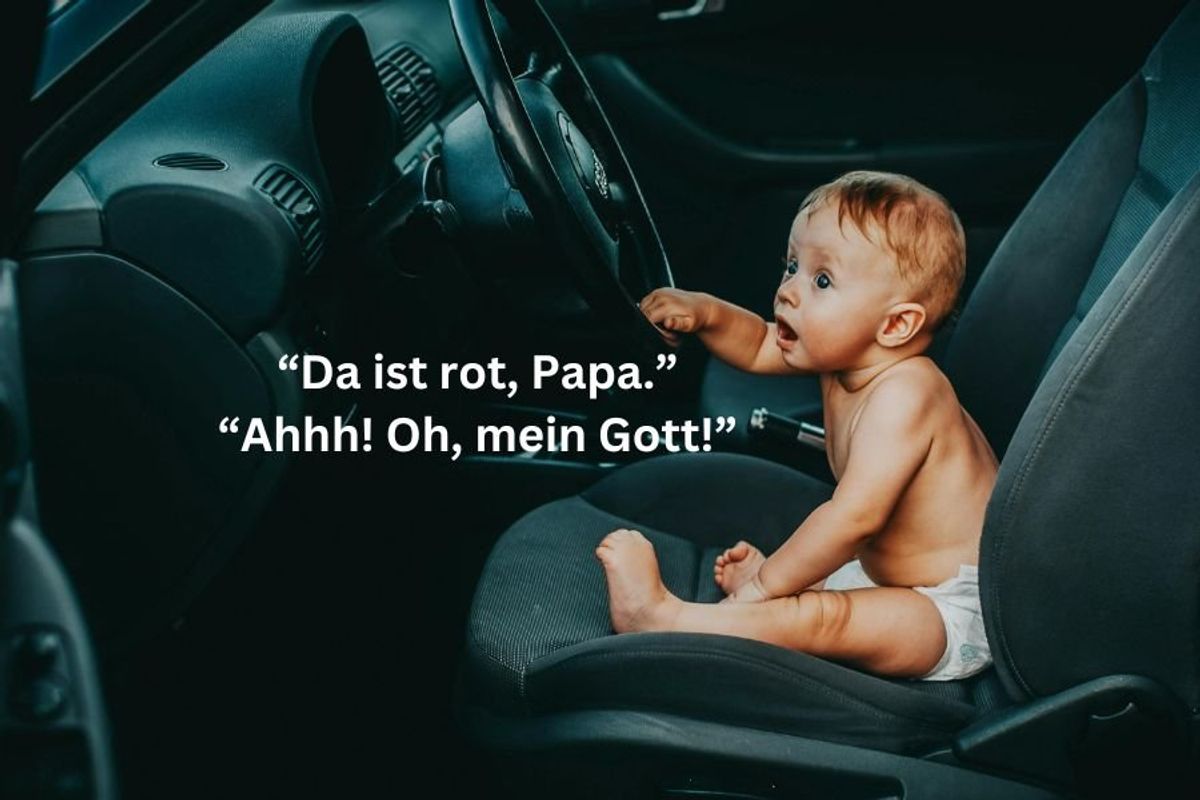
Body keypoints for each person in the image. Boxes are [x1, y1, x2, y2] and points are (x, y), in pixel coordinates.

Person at [595, 170, 998, 681]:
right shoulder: (847, 356)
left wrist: (763, 586)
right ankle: (773, 601)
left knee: (822, 618)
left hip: (950, 608)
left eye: (821, 280)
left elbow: (854, 520)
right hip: (883, 575)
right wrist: (704, 313)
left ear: (895, 325)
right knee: (821, 592)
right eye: (792, 266)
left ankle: (663, 619)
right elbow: (762, 344)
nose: (788, 291)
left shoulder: (907, 394)